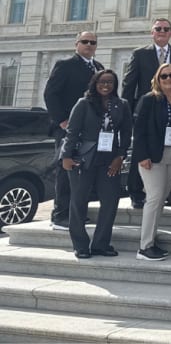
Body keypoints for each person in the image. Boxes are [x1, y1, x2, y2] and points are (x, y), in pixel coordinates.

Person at [60, 69, 131, 259]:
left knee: (110, 201)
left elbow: (126, 133)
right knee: (78, 201)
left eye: (110, 82)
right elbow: (72, 132)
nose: (105, 85)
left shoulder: (121, 105)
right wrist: (66, 156)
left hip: (109, 159)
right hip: (83, 159)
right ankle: (81, 245)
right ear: (95, 83)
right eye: (102, 82)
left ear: (115, 85)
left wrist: (120, 156)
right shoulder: (84, 104)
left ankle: (101, 244)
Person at [44, 31, 104, 231]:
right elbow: (50, 93)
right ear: (76, 44)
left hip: (91, 130)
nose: (89, 45)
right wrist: (61, 120)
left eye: (92, 42)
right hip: (68, 129)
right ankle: (60, 215)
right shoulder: (65, 65)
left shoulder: (99, 68)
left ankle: (77, 213)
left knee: (83, 172)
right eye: (85, 42)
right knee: (65, 169)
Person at [133, 63, 171, 260]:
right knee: (155, 197)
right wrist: (141, 155)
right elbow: (138, 130)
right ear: (158, 79)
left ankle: (152, 239)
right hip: (152, 155)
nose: (168, 79)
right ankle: (144, 246)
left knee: (162, 198)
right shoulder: (149, 100)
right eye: (163, 76)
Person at [123, 20, 171, 210]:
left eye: (166, 29)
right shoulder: (140, 54)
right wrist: (126, 112)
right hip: (146, 108)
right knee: (141, 149)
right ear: (152, 32)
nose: (162, 32)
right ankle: (136, 192)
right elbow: (129, 84)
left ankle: (162, 192)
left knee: (165, 150)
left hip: (170, 108)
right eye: (158, 29)